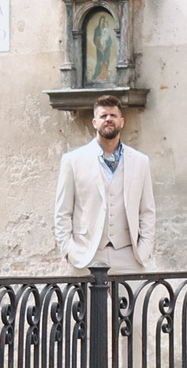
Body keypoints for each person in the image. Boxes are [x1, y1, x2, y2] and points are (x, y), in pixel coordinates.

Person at [52, 94, 156, 275]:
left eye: (113, 115)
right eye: (103, 116)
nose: (108, 119)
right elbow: (63, 212)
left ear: (121, 122)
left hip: (129, 255)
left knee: (134, 305)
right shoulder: (73, 161)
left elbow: (147, 211)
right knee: (89, 305)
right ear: (94, 122)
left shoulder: (140, 161)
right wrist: (69, 250)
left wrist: (144, 249)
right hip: (87, 255)